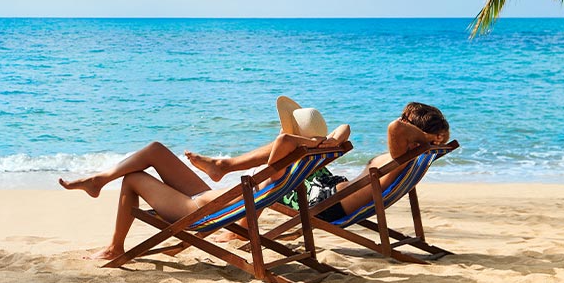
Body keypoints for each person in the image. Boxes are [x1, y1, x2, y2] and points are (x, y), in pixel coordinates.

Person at [58, 98, 350, 261]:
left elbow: (285, 139)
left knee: (133, 178)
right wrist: (319, 143)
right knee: (156, 150)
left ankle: (115, 247)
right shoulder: (301, 162)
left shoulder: (282, 163)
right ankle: (99, 179)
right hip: (211, 199)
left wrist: (303, 143)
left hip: (195, 209)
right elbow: (343, 131)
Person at [188, 101, 449, 224]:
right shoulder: (406, 157)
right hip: (329, 188)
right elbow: (345, 127)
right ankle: (225, 166)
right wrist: (325, 141)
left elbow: (395, 127)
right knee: (300, 145)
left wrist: (424, 136)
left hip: (323, 203)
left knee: (279, 164)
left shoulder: (401, 156)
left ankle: (219, 188)